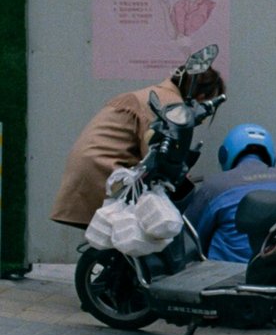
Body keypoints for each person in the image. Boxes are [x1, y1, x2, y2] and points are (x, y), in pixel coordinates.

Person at [51, 61, 226, 228]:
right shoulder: (171, 105)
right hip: (102, 173)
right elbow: (156, 150)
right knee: (151, 230)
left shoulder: (155, 94)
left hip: (88, 171)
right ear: (202, 97)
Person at [182, 124, 276, 263]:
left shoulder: (215, 186)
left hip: (228, 278)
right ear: (271, 154)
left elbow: (191, 239)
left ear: (224, 154)